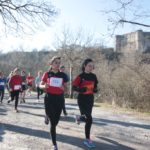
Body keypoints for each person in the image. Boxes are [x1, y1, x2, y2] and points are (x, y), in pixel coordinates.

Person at [39, 56, 68, 150]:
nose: (58, 64)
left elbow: (67, 90)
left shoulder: (63, 75)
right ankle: (54, 144)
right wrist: (44, 86)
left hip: (59, 99)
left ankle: (47, 115)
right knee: (52, 123)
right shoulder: (47, 74)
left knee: (56, 121)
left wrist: (63, 88)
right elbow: (40, 85)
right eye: (56, 62)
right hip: (49, 98)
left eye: (59, 62)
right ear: (51, 64)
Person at [72, 58, 98, 148]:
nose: (91, 67)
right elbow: (74, 87)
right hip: (82, 99)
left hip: (90, 99)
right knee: (89, 119)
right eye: (89, 66)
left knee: (87, 118)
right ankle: (87, 140)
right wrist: (80, 89)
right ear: (84, 66)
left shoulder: (94, 76)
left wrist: (95, 89)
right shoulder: (80, 76)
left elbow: (95, 86)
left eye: (92, 66)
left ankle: (78, 117)